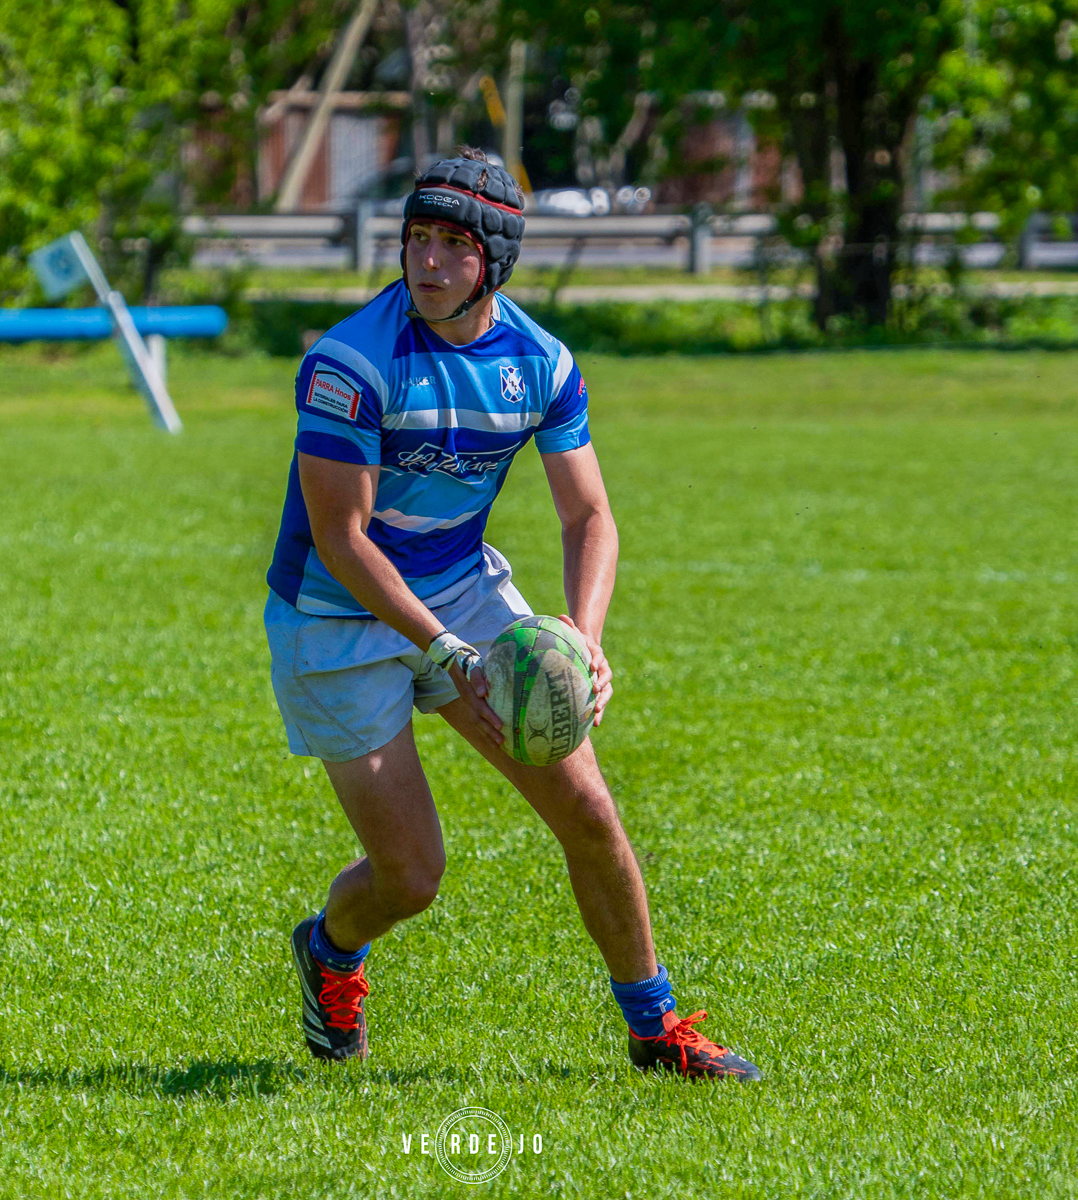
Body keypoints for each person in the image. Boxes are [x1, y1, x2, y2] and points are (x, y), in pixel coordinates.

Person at [265, 149, 758, 1081]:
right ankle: (330, 952)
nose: (429, 262)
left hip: (460, 587)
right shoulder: (350, 364)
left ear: (494, 259)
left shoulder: (539, 363)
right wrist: (446, 650)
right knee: (411, 876)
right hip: (337, 618)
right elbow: (343, 538)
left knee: (590, 810)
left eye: (454, 244)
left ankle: (654, 1030)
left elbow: (589, 516)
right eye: (418, 239)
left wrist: (583, 632)